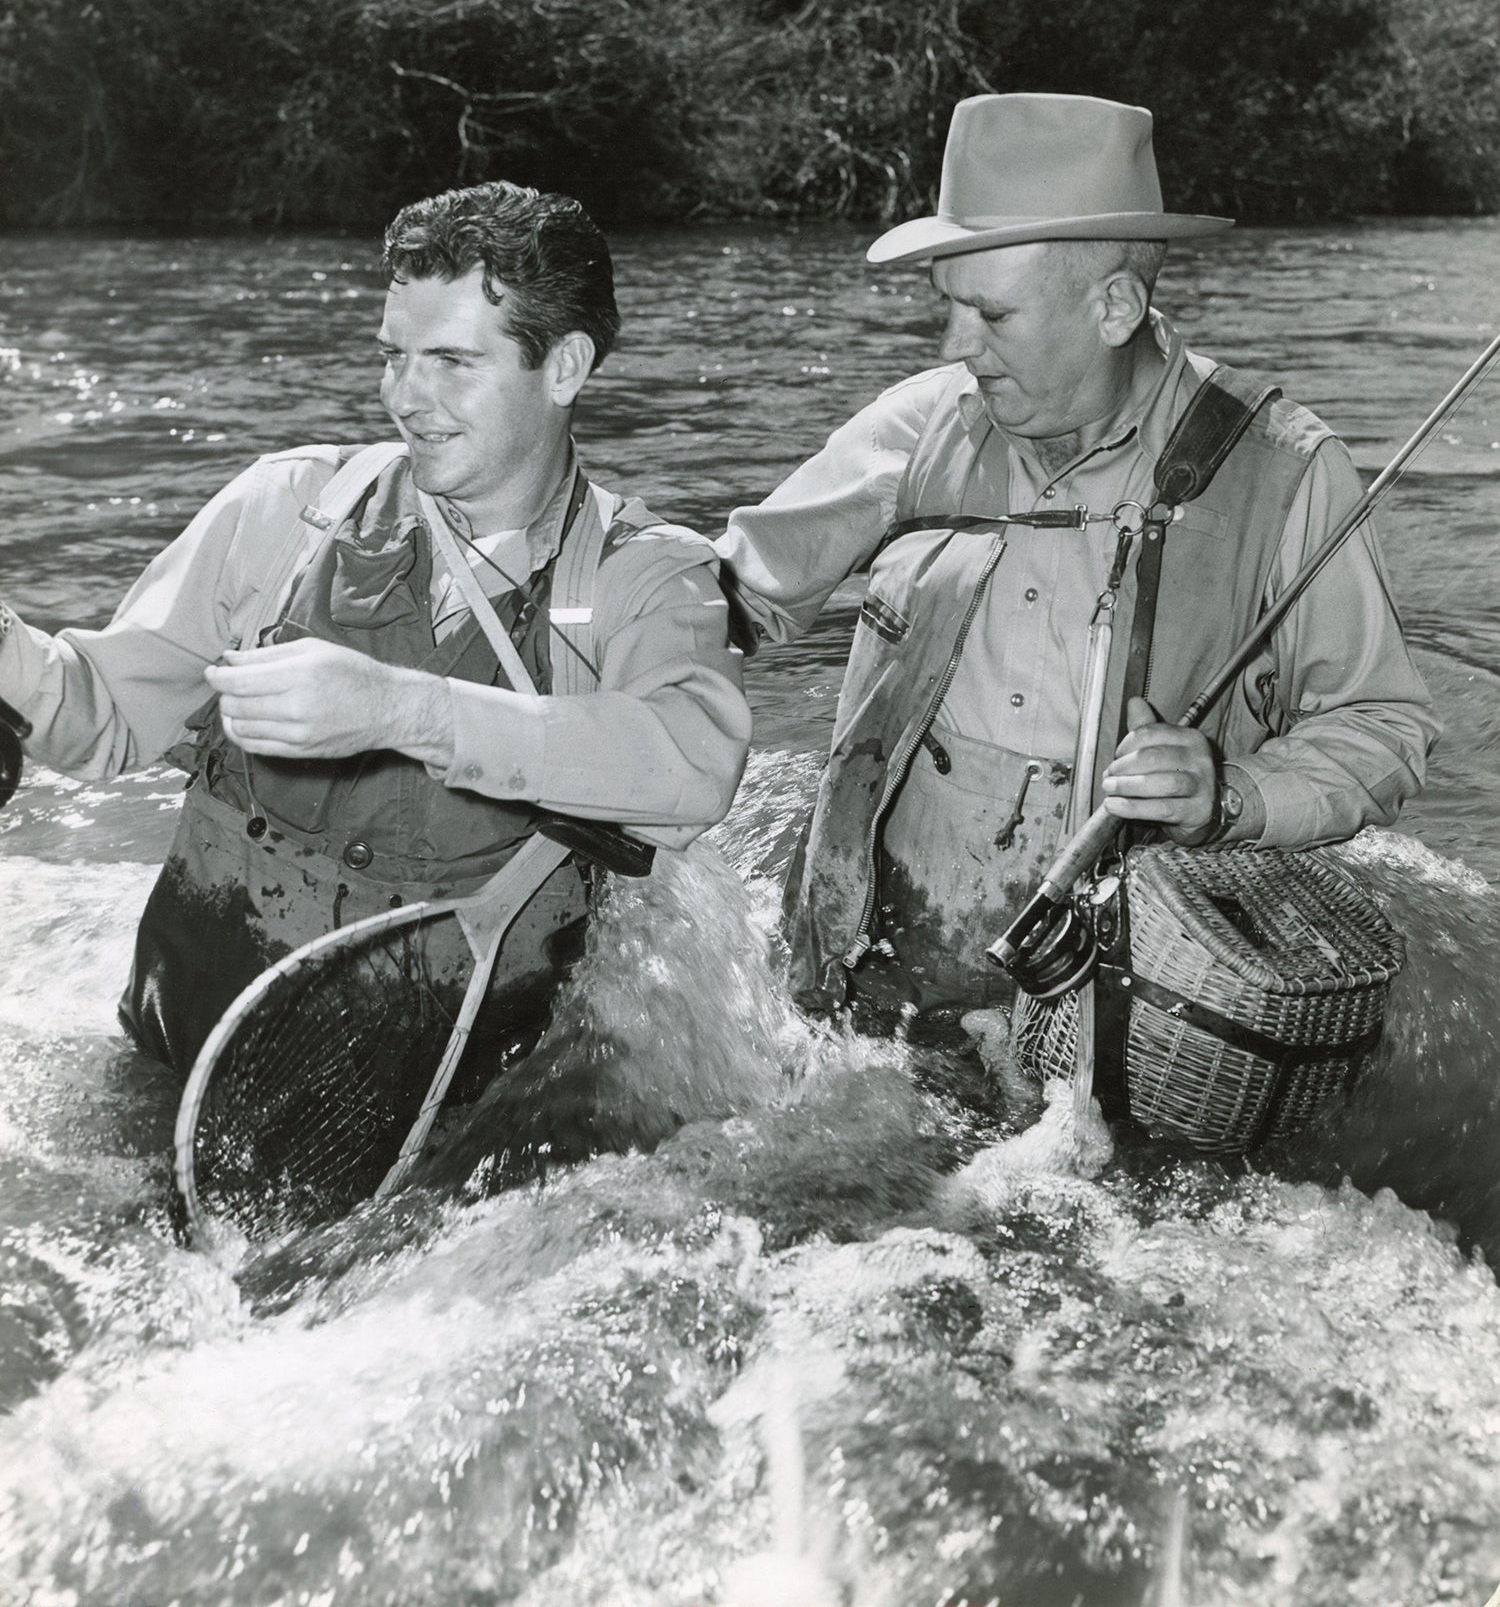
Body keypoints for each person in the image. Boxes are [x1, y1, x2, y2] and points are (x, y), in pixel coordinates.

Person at [0, 181, 752, 1078]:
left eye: (451, 362)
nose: (405, 396)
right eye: (393, 355)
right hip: (175, 1065)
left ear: (565, 367)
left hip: (446, 1120)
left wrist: (399, 711)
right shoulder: (288, 505)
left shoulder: (646, 574)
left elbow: (693, 764)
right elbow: (99, 717)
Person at [718, 92, 1439, 1024]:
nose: (956, 346)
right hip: (868, 1005)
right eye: (948, 307)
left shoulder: (1286, 472)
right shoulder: (920, 424)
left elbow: (1383, 726)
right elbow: (730, 596)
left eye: (992, 314)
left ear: (1115, 307)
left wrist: (1228, 793)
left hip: (1122, 1026)